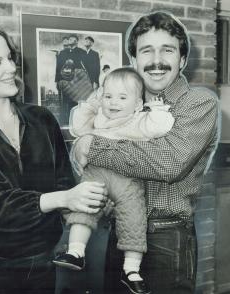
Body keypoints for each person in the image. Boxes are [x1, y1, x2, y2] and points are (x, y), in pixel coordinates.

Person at [0, 23, 108, 294]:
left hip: (43, 264)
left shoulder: (42, 118)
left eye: (10, 57)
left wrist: (94, 199)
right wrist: (63, 198)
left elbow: (65, 183)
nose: (11, 68)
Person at [72, 11, 220, 294]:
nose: (156, 61)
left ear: (183, 60)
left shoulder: (199, 103)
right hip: (118, 232)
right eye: (146, 51)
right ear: (134, 60)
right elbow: (79, 158)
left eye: (168, 50)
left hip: (166, 239)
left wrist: (92, 145)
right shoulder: (122, 101)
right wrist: (84, 146)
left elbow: (167, 162)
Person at [53, 67, 175, 294]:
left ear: (137, 104)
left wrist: (155, 108)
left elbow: (162, 125)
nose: (113, 103)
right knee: (84, 207)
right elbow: (78, 126)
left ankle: (131, 270)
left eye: (122, 97)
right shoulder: (99, 117)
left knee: (134, 217)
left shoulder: (139, 120)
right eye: (108, 96)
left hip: (127, 180)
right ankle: (76, 252)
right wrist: (93, 102)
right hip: (96, 173)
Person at [55, 34, 88, 125]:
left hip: (77, 81)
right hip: (65, 81)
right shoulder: (62, 53)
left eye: (72, 39)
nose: (69, 40)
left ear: (76, 41)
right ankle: (64, 123)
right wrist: (57, 81)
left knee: (77, 102)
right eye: (69, 39)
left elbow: (87, 68)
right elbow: (58, 68)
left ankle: (77, 123)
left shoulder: (82, 52)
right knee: (64, 102)